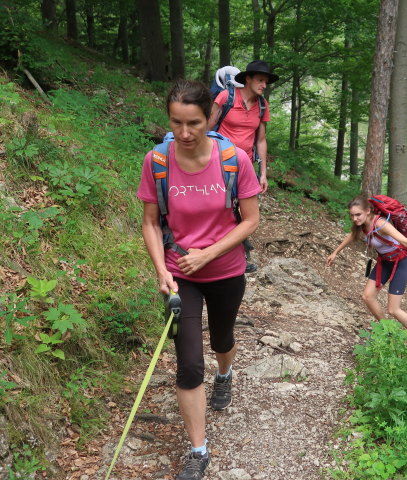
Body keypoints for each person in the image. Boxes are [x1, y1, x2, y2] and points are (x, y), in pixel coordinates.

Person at [137, 79, 261, 480]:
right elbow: (151, 223)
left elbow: (252, 220)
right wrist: (161, 270)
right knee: (189, 364)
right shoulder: (157, 162)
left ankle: (225, 374)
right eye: (176, 123)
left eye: (193, 123)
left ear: (209, 117)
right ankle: (198, 450)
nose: (185, 133)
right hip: (179, 276)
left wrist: (208, 253)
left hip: (225, 270)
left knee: (222, 338)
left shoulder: (233, 159)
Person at [208, 60, 278, 273]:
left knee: (245, 211)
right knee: (221, 206)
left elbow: (261, 140)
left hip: (245, 165)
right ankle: (213, 250)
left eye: (266, 81)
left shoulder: (262, 106)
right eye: (260, 80)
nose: (264, 85)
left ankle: (237, 255)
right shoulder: (226, 97)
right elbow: (207, 127)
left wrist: (263, 174)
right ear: (247, 79)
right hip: (219, 162)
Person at [326, 195, 407, 330]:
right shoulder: (361, 225)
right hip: (384, 262)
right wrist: (335, 252)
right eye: (352, 215)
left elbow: (405, 241)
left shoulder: (381, 224)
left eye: (358, 214)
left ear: (368, 211)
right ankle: (388, 329)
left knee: (393, 310)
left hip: (400, 263)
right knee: (367, 296)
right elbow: (351, 236)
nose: (355, 219)